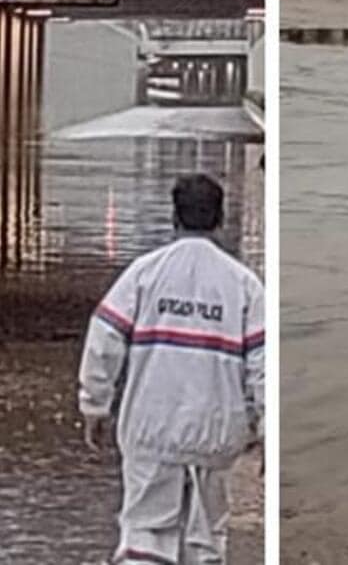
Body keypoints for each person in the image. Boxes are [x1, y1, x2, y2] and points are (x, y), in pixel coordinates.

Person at [79, 174, 265, 564]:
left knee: (145, 533)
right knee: (206, 539)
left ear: (174, 218)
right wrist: (267, 429)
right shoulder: (244, 285)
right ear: (220, 220)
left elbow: (103, 341)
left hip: (150, 427)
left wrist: (94, 406)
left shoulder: (143, 274)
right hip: (214, 434)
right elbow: (262, 366)